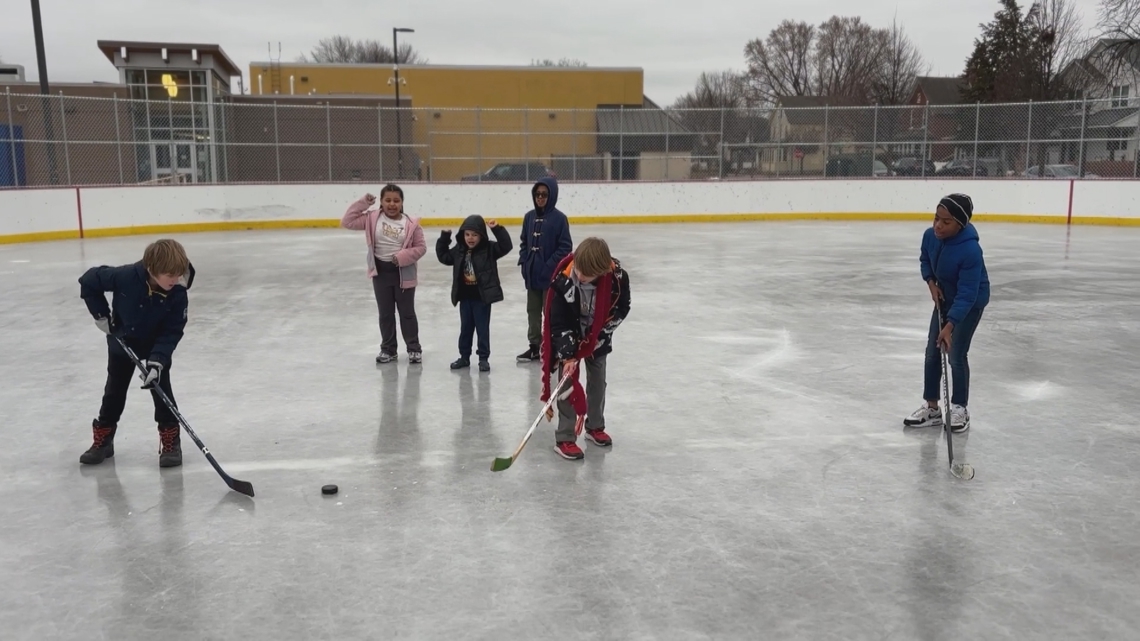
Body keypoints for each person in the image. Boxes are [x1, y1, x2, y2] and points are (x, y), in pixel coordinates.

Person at [78, 239, 196, 468]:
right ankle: (104, 439)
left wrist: (157, 362)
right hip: (123, 341)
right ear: (151, 268)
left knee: (162, 391)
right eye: (169, 274)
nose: (174, 279)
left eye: (178, 273)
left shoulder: (178, 291)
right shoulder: (125, 277)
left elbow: (172, 331)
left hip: (156, 345)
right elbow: (89, 280)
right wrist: (101, 315)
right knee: (114, 390)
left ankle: (171, 441)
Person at [904, 193, 990, 433]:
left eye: (946, 222)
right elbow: (925, 261)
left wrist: (950, 326)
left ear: (960, 224)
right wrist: (931, 283)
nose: (938, 226)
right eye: (936, 218)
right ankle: (932, 408)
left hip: (969, 304)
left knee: (955, 355)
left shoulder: (971, 251)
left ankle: (960, 407)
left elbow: (968, 294)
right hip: (944, 298)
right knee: (932, 352)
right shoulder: (930, 237)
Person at [540, 237, 631, 460]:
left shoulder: (618, 279)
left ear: (602, 273)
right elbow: (557, 321)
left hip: (597, 339)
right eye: (578, 270)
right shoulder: (563, 280)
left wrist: (597, 338)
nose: (579, 276)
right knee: (567, 387)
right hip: (568, 338)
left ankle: (595, 426)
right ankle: (565, 438)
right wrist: (569, 355)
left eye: (586, 275)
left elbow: (621, 309)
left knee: (598, 382)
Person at [342, 184, 427, 364]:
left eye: (396, 200)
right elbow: (347, 222)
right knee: (386, 314)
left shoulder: (411, 224)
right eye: (387, 200)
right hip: (380, 273)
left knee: (407, 313)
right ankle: (388, 349)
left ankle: (414, 348)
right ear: (381, 202)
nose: (392, 204)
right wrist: (363, 203)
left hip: (403, 273)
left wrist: (402, 257)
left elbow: (421, 248)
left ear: (402, 203)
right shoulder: (372, 218)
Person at [436, 215, 513, 372]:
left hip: (481, 298)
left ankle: (483, 358)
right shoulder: (459, 250)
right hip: (465, 297)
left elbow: (506, 246)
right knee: (466, 329)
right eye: (467, 234)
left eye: (475, 235)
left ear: (482, 236)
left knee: (482, 329)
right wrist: (444, 238)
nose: (470, 238)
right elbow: (443, 257)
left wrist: (497, 229)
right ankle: (464, 357)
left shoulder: (490, 249)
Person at [516, 176, 573, 363]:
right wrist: (524, 261)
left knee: (550, 312)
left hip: (550, 277)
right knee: (532, 310)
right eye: (537, 194)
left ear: (552, 196)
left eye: (544, 194)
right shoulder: (529, 217)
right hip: (532, 274)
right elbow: (524, 242)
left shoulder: (559, 219)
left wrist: (550, 266)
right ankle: (534, 345)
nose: (540, 198)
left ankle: (551, 346)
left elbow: (565, 247)